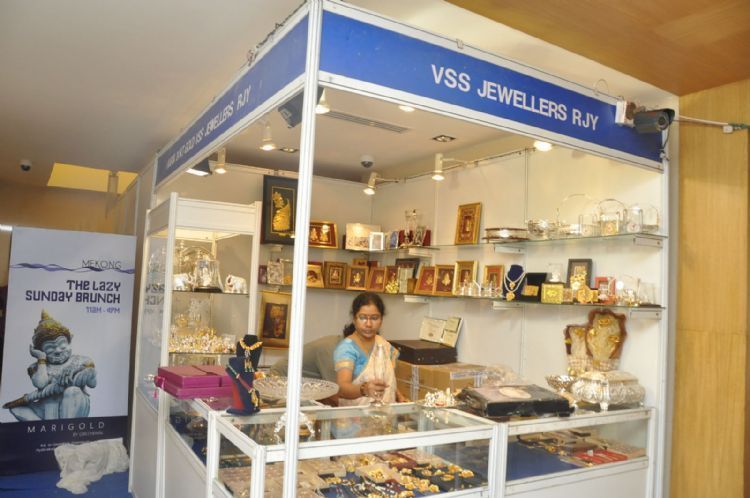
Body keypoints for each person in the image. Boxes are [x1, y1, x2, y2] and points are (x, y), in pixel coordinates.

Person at [3, 310, 97, 420]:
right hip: (46, 407)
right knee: (17, 408)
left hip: (72, 404)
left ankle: (65, 426)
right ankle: (44, 426)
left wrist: (85, 372)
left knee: (72, 391)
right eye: (50, 348)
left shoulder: (82, 361)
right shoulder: (36, 367)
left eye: (62, 345)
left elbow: (93, 384)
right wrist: (41, 358)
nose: (58, 351)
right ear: (41, 350)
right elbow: (41, 384)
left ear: (69, 341)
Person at [333, 292, 407, 406]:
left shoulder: (383, 345)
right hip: (354, 415)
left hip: (385, 413)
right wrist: (364, 389)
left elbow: (388, 381)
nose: (368, 324)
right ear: (354, 319)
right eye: (362, 318)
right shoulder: (347, 348)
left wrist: (400, 396)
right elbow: (342, 388)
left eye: (374, 318)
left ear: (381, 320)